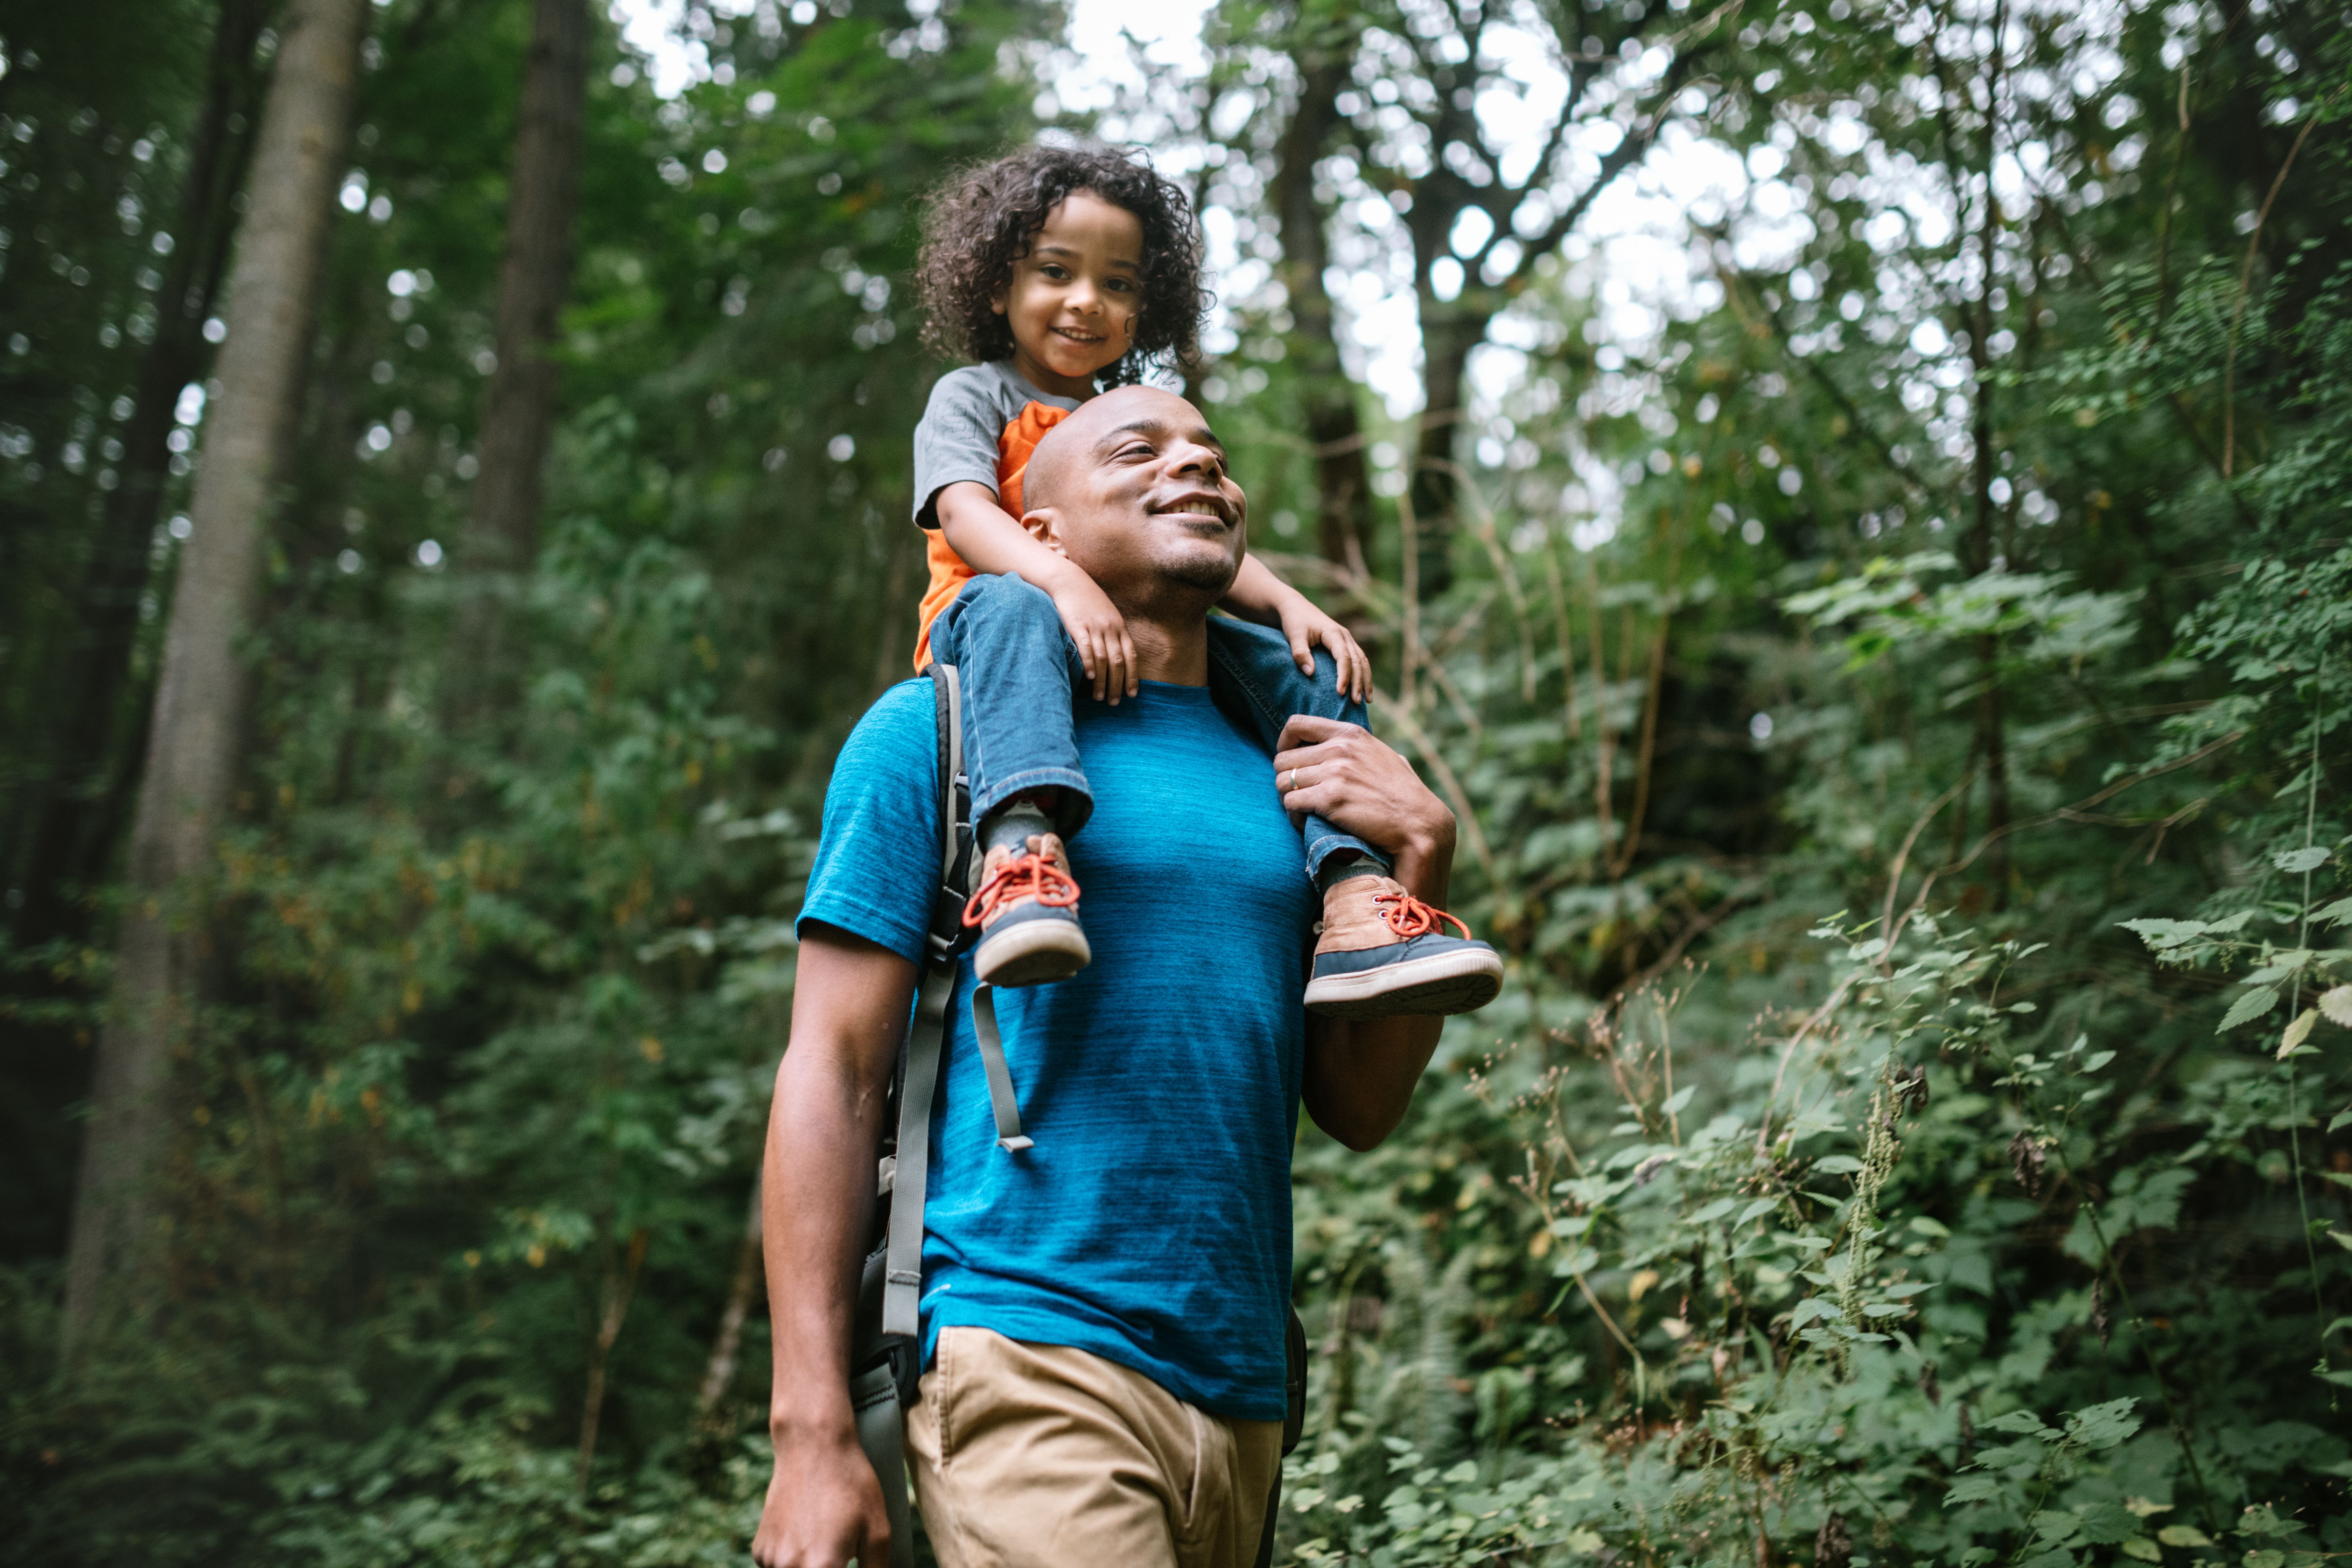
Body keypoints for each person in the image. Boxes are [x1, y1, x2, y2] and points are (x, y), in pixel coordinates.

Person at [751, 386, 1488, 1568]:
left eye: (1213, 453)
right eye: (1139, 449)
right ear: (1037, 535)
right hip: (1022, 1347)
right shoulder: (933, 736)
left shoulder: (1297, 771)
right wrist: (809, 1429)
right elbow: (830, 1071)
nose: (1198, 466)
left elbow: (1357, 1108)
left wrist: (1419, 859)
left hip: (1248, 1393)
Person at [906, 144, 1501, 1015]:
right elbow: (964, 513)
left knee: (1308, 667)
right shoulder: (975, 395)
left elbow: (1193, 539)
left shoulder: (1132, 410)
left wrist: (1292, 604)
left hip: (1135, 634)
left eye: (1117, 284)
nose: (1087, 301)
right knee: (1008, 602)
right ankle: (1022, 853)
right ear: (997, 285)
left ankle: (1355, 896)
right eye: (1056, 272)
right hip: (1001, 634)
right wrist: (1061, 581)